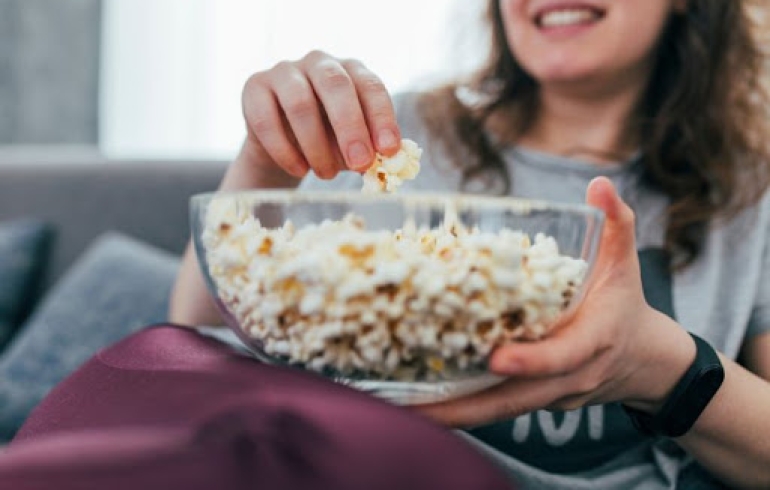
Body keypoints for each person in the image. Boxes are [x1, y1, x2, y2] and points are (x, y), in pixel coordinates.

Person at [14, 0, 769, 489]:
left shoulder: (754, 190)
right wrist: (263, 164)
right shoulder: (387, 135)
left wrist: (664, 368)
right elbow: (206, 333)